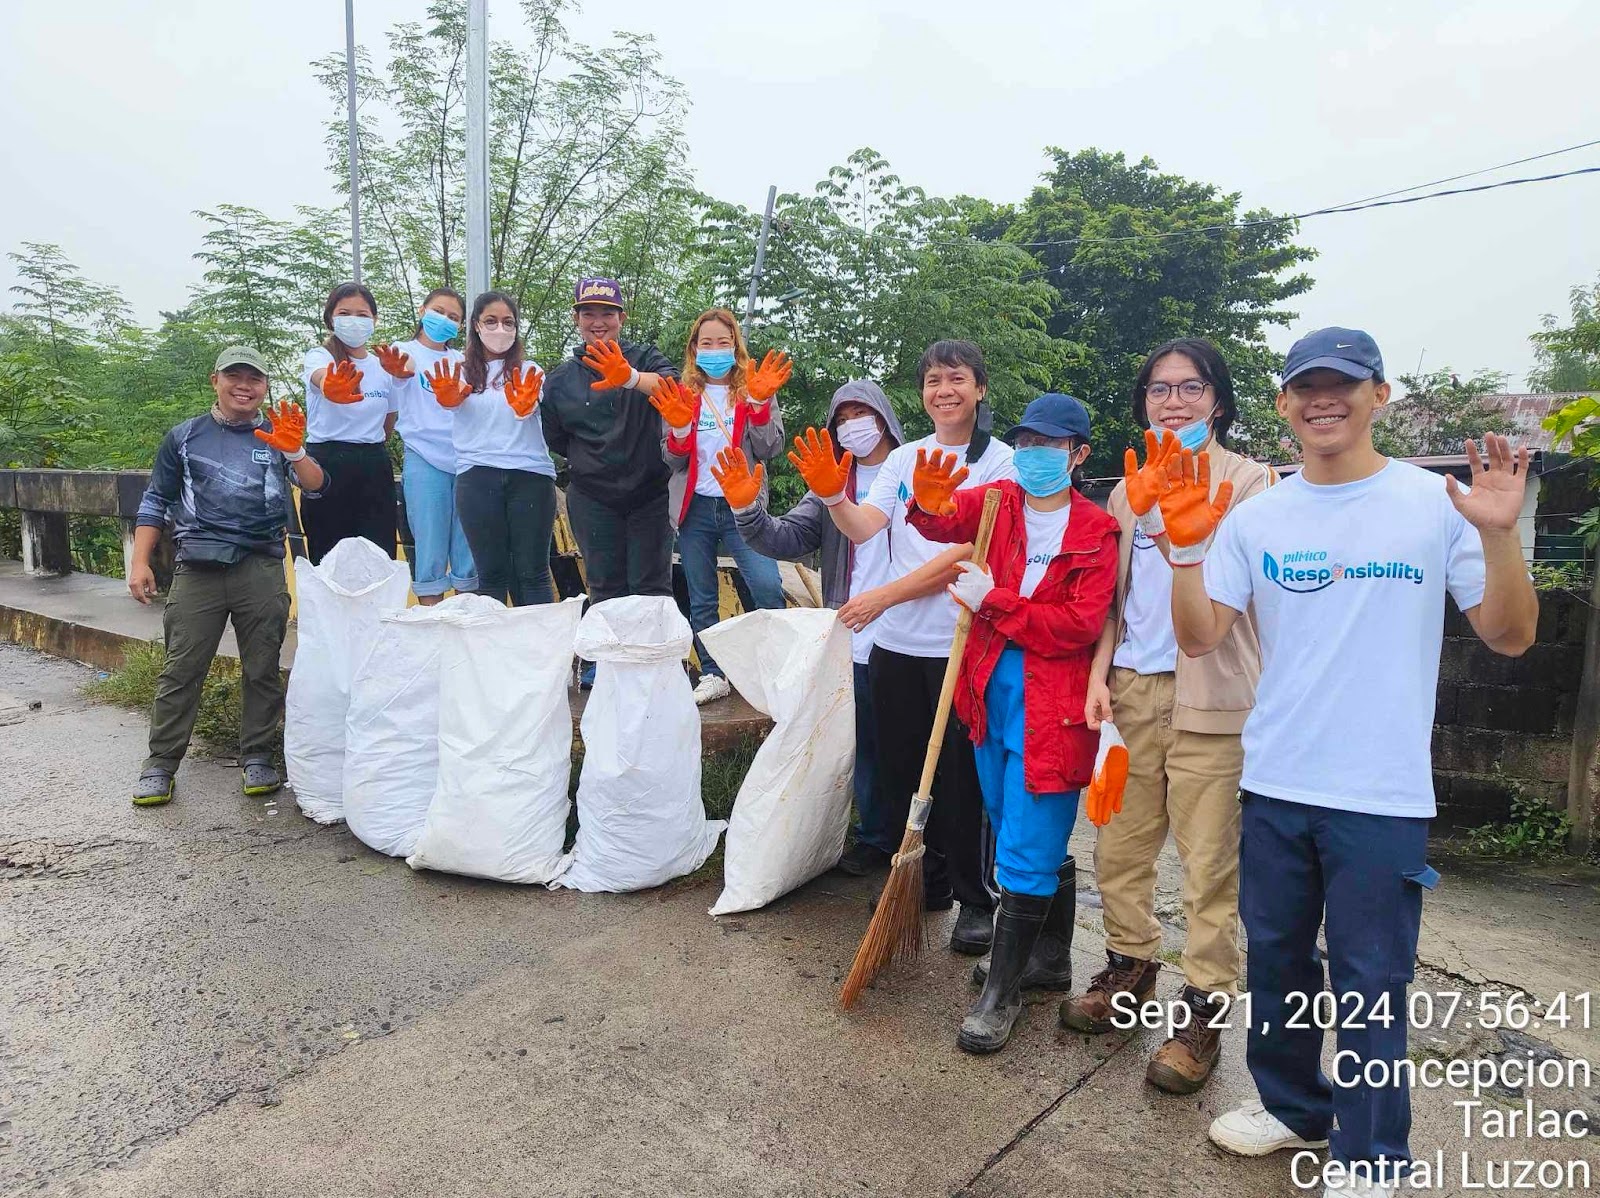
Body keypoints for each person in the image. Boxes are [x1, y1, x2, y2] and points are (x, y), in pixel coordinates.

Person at [1162, 329, 1537, 1195]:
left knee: (1372, 983)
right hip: (1275, 781)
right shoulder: (1257, 517)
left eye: (1343, 385)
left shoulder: (1436, 504)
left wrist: (1501, 537)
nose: (1323, 401)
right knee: (1281, 958)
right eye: (1306, 388)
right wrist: (1184, 550)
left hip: (1381, 791)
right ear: (1285, 403)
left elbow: (1512, 636)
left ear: (1380, 395)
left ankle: (1372, 1157)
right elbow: (1199, 634)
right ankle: (1295, 1108)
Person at [1061, 338, 1276, 1096]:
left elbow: (1247, 594)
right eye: (1159, 390)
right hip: (1130, 691)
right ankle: (1128, 967)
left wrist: (1188, 530)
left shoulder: (1252, 483)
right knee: (1117, 845)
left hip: (1212, 696)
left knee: (1208, 863)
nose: (1174, 402)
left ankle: (1204, 1008)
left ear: (1219, 399)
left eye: (1191, 388)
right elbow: (1118, 605)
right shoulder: (1126, 488)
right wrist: (1099, 677)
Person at [904, 394, 1118, 1053]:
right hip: (986, 691)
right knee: (1006, 819)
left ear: (1078, 454)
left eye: (1050, 446)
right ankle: (1048, 958)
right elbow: (943, 523)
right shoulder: (996, 501)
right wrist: (930, 503)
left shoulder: (1095, 532)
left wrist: (992, 600)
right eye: (1025, 442)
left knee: (1027, 841)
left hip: (1052, 700)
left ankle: (1003, 995)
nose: (1034, 456)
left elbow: (1077, 627)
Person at [789, 340, 1015, 955]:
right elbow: (867, 527)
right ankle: (928, 881)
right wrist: (835, 496)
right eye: (933, 381)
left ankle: (975, 897)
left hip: (958, 643)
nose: (944, 390)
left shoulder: (1002, 463)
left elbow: (970, 553)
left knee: (961, 779)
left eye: (957, 379)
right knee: (900, 772)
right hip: (894, 648)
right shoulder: (906, 458)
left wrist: (885, 596)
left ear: (980, 389)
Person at [708, 381, 971, 876]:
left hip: (922, 630)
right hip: (856, 632)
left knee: (932, 749)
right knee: (868, 743)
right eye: (843, 415)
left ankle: (942, 855)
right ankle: (877, 838)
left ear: (886, 417)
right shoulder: (834, 485)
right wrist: (747, 509)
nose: (854, 423)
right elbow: (785, 538)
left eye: (863, 411)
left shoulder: (922, 470)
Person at [127, 346, 327, 806]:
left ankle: (257, 756)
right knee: (182, 669)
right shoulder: (184, 437)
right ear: (215, 380)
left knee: (263, 669)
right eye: (234, 376)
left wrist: (295, 451)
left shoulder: (279, 433)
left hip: (260, 564)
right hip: (198, 567)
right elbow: (156, 500)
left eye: (254, 378)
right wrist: (139, 562)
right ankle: (160, 764)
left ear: (265, 387)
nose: (244, 386)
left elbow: (317, 486)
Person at [540, 277, 681, 685]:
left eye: (607, 313)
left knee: (651, 583)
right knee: (604, 582)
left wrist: (631, 377)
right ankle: (605, 665)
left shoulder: (645, 357)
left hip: (650, 492)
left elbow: (674, 390)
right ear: (577, 318)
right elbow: (557, 438)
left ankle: (655, 665)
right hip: (592, 495)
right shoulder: (561, 379)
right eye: (589, 313)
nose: (598, 321)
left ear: (622, 317)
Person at [655, 308, 792, 705]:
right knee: (701, 597)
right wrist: (681, 428)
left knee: (766, 584)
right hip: (695, 508)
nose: (715, 350)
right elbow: (672, 459)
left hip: (743, 509)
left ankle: (772, 666)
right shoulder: (683, 394)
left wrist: (761, 405)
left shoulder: (754, 389)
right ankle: (714, 673)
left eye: (723, 342)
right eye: (707, 343)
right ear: (694, 349)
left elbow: (770, 447)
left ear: (736, 347)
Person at [426, 291, 555, 606]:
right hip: (477, 478)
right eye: (491, 321)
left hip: (531, 478)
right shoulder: (456, 370)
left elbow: (538, 407)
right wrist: (446, 399)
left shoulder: (530, 371)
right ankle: (493, 654)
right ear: (476, 326)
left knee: (533, 573)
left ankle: (541, 654)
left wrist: (529, 406)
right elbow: (447, 401)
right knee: (491, 574)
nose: (500, 329)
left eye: (508, 322)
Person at [381, 287, 476, 604]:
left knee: (468, 550)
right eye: (438, 311)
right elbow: (401, 372)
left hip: (465, 461)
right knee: (430, 548)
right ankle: (431, 624)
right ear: (422, 311)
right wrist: (399, 373)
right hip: (425, 460)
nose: (444, 320)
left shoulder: (462, 360)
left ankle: (466, 624)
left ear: (460, 326)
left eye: (453, 317)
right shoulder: (404, 351)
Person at [299, 282, 399, 562]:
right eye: (345, 313)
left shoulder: (383, 365)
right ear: (331, 317)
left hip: (373, 465)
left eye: (362, 314)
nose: (354, 321)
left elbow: (389, 421)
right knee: (328, 556)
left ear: (375, 320)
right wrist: (330, 384)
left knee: (379, 556)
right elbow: (320, 377)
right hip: (327, 463)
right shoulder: (320, 356)